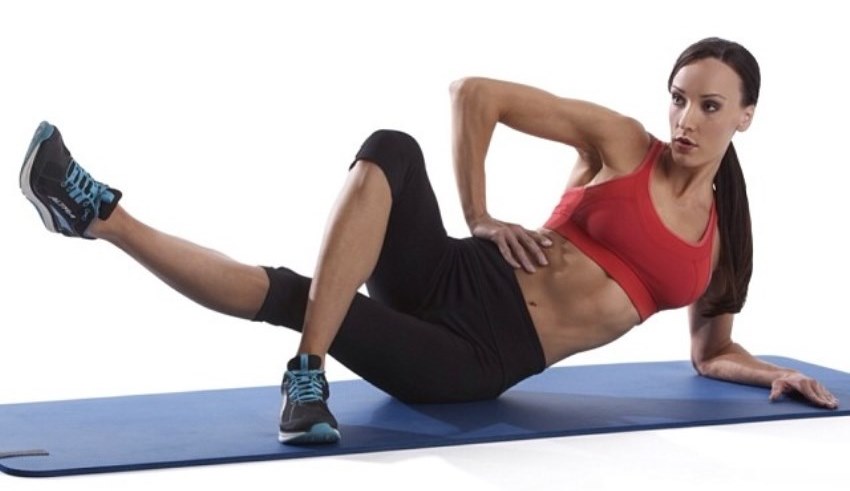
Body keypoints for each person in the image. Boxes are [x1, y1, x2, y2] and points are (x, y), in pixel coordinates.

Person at [19, 37, 839, 446]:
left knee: (295, 293)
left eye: (708, 105)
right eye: (680, 100)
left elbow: (710, 351)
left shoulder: (720, 243)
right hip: (458, 268)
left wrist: (771, 372)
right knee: (394, 147)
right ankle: (308, 375)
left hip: (478, 355)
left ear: (746, 115)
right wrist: (480, 215)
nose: (686, 120)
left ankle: (97, 216)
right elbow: (473, 93)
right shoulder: (622, 143)